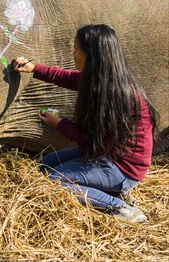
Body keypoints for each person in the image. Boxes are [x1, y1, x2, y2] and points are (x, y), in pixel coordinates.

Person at [13, 24, 156, 223]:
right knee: (44, 166)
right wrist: (34, 69)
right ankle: (108, 190)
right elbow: (65, 77)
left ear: (92, 55)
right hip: (108, 155)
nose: (72, 52)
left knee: (54, 181)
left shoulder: (115, 96)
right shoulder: (100, 79)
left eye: (76, 49)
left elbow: (92, 144)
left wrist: (60, 123)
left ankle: (121, 208)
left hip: (123, 168)